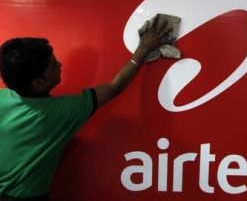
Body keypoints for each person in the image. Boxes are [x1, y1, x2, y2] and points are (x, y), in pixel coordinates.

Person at [0, 17, 172, 201]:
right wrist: (144, 49)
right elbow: (115, 86)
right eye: (52, 65)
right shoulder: (61, 112)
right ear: (38, 83)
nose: (60, 64)